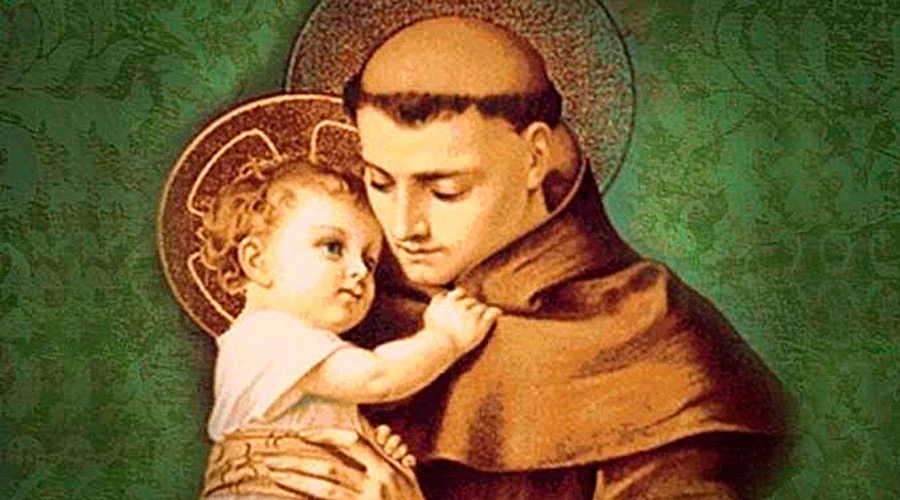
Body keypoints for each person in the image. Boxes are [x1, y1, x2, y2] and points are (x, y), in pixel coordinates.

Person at [267, 16, 792, 499]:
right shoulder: (341, 310)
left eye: (446, 190)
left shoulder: (653, 342)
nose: (405, 226)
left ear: (535, 157)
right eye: (380, 182)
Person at [195, 153, 501, 499]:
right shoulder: (265, 337)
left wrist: (371, 448)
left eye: (369, 262)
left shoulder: (290, 351)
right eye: (333, 247)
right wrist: (446, 338)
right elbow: (378, 378)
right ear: (257, 260)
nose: (359, 271)